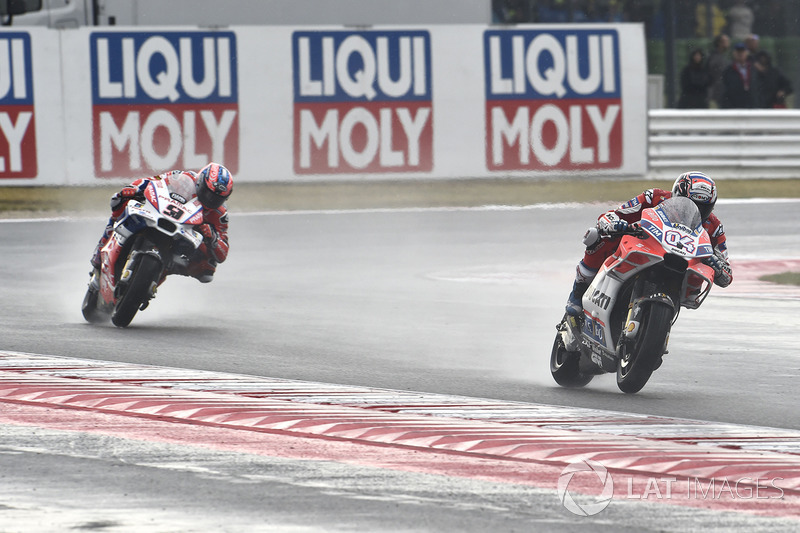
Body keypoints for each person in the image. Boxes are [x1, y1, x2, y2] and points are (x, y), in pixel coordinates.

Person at [564, 172, 733, 317]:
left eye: (703, 207)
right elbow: (613, 214)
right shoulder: (654, 197)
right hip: (645, 247)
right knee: (597, 235)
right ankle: (579, 290)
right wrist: (615, 224)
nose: (696, 210)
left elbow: (727, 273)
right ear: (677, 195)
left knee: (704, 271)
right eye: (690, 203)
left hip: (679, 266)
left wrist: (718, 267)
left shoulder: (714, 227)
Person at [89, 162, 233, 285]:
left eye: (217, 198)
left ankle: (153, 279)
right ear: (200, 182)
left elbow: (222, 252)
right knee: (120, 201)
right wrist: (134, 189)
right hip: (160, 214)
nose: (211, 200)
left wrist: (213, 238)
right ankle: (100, 253)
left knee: (208, 268)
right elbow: (154, 181)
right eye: (208, 193)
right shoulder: (183, 179)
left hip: (184, 240)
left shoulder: (219, 214)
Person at [719, 42, 759, 108]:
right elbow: (724, 90)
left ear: (747, 53)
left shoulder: (753, 69)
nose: (740, 54)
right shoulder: (728, 70)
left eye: (742, 51)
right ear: (734, 53)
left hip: (752, 106)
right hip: (734, 107)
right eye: (738, 52)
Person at [706, 34, 731, 107]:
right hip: (717, 94)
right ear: (720, 43)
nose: (728, 43)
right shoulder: (715, 58)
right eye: (726, 41)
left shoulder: (722, 57)